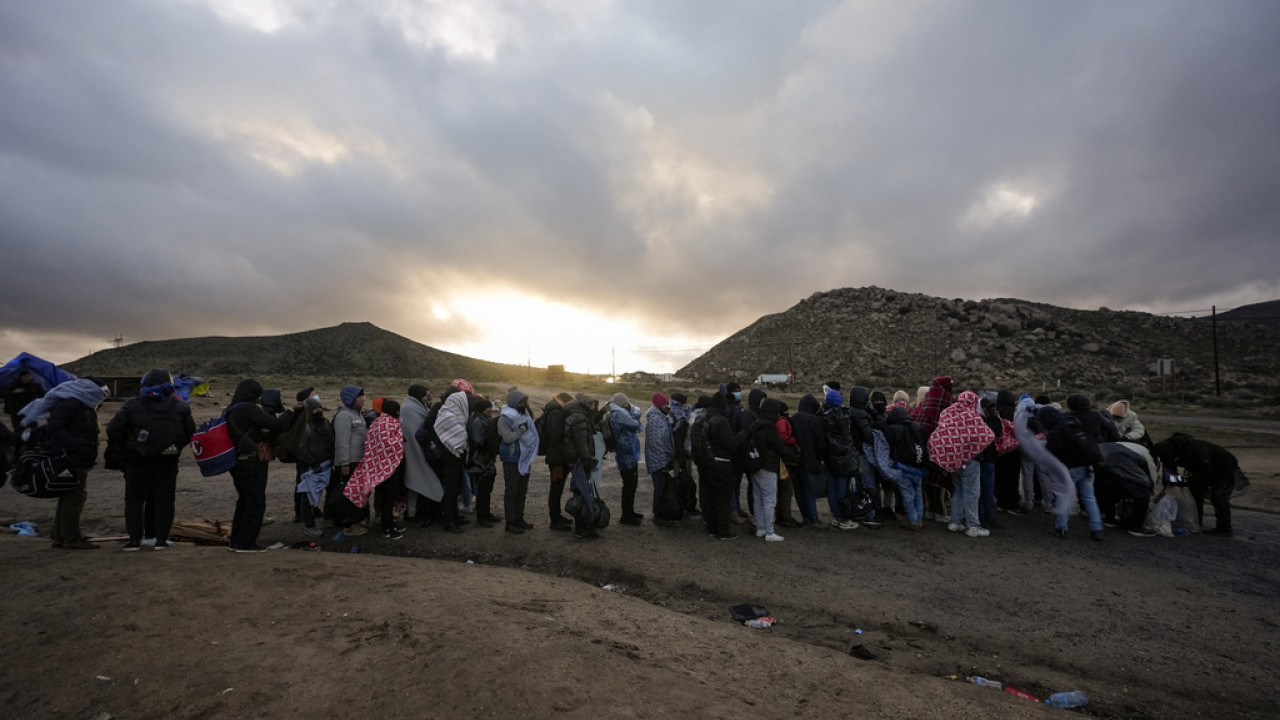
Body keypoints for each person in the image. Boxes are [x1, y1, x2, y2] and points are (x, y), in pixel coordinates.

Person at [105, 369, 195, 552]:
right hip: (167, 461)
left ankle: (134, 541)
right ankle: (160, 540)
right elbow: (189, 433)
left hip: (136, 460)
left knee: (134, 500)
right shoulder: (181, 407)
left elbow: (114, 430)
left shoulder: (131, 405)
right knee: (165, 500)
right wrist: (172, 448)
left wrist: (128, 447)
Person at [22, 379, 107, 549]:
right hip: (71, 457)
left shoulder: (82, 403)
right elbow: (56, 428)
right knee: (74, 497)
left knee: (69, 495)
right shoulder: (71, 403)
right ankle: (71, 538)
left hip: (78, 457)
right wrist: (77, 445)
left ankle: (60, 535)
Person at [928, 390, 995, 538]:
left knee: (958, 490)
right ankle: (972, 525)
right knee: (972, 493)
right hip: (970, 460)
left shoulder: (948, 413)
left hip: (953, 460)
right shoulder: (972, 416)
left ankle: (955, 521)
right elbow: (988, 435)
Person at [1153, 432, 1241, 537]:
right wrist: (1172, 484)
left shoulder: (1196, 451)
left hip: (1224, 466)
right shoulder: (1171, 451)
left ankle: (1224, 528)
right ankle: (1197, 522)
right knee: (1196, 493)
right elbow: (1170, 472)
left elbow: (1204, 473)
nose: (1162, 460)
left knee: (1218, 497)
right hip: (1205, 468)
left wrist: (1192, 485)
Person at [344, 400, 407, 540]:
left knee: (384, 498)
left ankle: (388, 524)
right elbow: (391, 444)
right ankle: (388, 529)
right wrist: (401, 439)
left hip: (376, 467)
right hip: (390, 467)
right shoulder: (392, 423)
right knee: (388, 499)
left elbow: (371, 442)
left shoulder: (376, 423)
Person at [747, 398, 798, 542]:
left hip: (754, 465)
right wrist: (793, 456)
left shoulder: (755, 423)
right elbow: (778, 447)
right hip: (768, 466)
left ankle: (761, 528)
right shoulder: (769, 427)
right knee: (769, 500)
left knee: (758, 499)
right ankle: (770, 532)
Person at [912, 376, 954, 523]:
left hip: (922, 449)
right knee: (939, 481)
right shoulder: (947, 403)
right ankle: (940, 512)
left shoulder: (925, 403)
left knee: (928, 481)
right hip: (940, 449)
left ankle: (930, 510)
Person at [703, 391, 744, 540]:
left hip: (710, 462)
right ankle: (723, 531)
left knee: (712, 498)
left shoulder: (706, 418)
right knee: (722, 499)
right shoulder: (721, 421)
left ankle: (712, 529)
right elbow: (730, 443)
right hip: (723, 464)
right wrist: (741, 435)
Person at [400, 385, 443, 525]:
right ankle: (412, 513)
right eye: (425, 395)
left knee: (417, 480)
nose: (427, 397)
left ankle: (414, 512)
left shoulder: (418, 407)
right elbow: (413, 432)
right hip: (412, 449)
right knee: (417, 479)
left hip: (418, 448)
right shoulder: (408, 409)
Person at [498, 390, 539, 534]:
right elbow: (508, 438)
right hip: (511, 460)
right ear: (514, 402)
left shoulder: (523, 415)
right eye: (521, 402)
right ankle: (510, 523)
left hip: (524, 459)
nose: (523, 405)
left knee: (522, 491)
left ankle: (519, 519)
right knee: (512, 492)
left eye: (525, 402)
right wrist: (521, 430)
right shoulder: (505, 418)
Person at [293, 395, 333, 538]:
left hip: (326, 464)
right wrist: (312, 463)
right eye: (314, 409)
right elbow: (301, 449)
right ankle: (309, 525)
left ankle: (327, 517)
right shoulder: (304, 427)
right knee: (307, 496)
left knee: (329, 491)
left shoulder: (325, 423)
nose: (318, 411)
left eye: (319, 408)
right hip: (311, 467)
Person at [434, 386, 471, 533]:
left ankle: (455, 517)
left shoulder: (454, 414)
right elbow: (454, 436)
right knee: (450, 490)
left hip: (455, 457)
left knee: (455, 490)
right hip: (449, 458)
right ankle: (449, 522)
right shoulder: (447, 415)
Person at [821, 388, 859, 530]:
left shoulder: (824, 417)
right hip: (845, 457)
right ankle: (844, 518)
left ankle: (837, 516)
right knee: (843, 489)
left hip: (830, 457)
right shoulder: (845, 416)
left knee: (831, 487)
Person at [563, 393, 600, 539]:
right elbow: (581, 442)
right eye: (592, 404)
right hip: (580, 460)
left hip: (578, 459)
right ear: (585, 404)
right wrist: (587, 459)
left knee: (581, 491)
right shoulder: (580, 418)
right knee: (582, 493)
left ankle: (583, 524)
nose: (594, 407)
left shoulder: (580, 415)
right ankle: (582, 527)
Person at [788, 394, 828, 528]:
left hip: (795, 461)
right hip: (810, 461)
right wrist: (820, 458)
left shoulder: (792, 419)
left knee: (799, 490)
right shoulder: (815, 421)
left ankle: (805, 516)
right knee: (810, 491)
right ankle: (814, 519)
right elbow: (820, 443)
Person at [606, 392, 644, 525]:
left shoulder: (618, 412)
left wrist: (634, 416)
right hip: (626, 455)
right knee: (629, 485)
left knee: (632, 485)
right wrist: (635, 416)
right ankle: (626, 516)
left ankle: (630, 512)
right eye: (626, 404)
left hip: (629, 453)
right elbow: (636, 425)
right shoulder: (619, 414)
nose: (629, 407)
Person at [540, 392, 574, 530]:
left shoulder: (553, 411)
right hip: (557, 458)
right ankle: (555, 520)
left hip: (557, 456)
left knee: (557, 488)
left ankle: (557, 516)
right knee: (556, 489)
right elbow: (555, 436)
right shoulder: (557, 414)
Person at [466, 397, 501, 528]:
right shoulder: (477, 422)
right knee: (483, 489)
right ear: (482, 409)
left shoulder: (482, 419)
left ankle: (486, 514)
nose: (491, 410)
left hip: (485, 459)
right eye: (488, 408)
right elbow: (477, 440)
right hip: (480, 460)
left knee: (487, 488)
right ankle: (482, 517)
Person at [644, 392, 676, 527]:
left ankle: (661, 513)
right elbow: (658, 442)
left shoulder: (659, 417)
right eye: (664, 404)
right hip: (659, 460)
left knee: (662, 487)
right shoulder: (656, 420)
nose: (666, 406)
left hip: (659, 458)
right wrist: (666, 458)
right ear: (658, 405)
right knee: (660, 488)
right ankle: (658, 515)